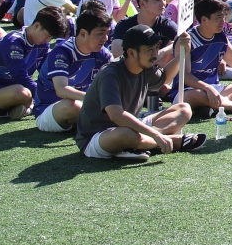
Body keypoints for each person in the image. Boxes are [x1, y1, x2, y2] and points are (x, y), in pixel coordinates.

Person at [74, 24, 203, 159]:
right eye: (149, 49)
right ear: (131, 53)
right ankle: (173, 141)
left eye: (155, 48)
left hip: (131, 125)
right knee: (124, 134)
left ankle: (142, 144)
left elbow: (164, 78)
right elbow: (116, 116)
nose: (155, 54)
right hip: (98, 136)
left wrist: (182, 54)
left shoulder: (145, 66)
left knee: (184, 109)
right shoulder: (110, 74)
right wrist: (156, 135)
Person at [0, 6, 67, 120]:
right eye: (48, 35)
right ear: (37, 26)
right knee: (22, 92)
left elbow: (47, 72)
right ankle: (30, 106)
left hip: (11, 91)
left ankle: (24, 107)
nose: (48, 40)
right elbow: (20, 78)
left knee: (42, 87)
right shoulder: (13, 42)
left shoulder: (42, 44)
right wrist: (54, 96)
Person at [33, 3, 113, 133]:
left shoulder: (102, 54)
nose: (105, 38)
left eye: (107, 33)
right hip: (50, 110)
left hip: (84, 105)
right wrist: (95, 99)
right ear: (82, 33)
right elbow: (61, 90)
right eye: (100, 34)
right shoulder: (62, 52)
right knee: (71, 105)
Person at [182, 0, 232, 115]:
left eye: (223, 17)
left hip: (215, 89)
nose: (223, 22)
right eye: (218, 17)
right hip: (188, 91)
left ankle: (214, 105)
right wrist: (207, 88)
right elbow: (185, 76)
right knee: (198, 95)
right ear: (204, 19)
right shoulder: (187, 39)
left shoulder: (221, 37)